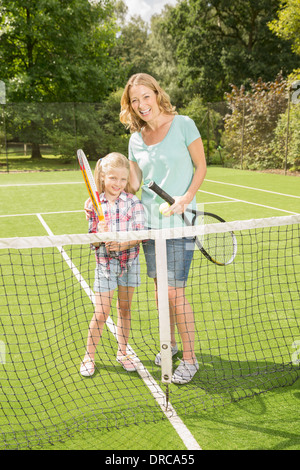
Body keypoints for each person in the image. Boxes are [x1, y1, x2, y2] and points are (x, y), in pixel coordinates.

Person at [120, 73, 207, 384]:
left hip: (180, 226)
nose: (142, 104)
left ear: (157, 94)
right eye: (135, 100)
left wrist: (186, 197)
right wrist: (111, 181)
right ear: (129, 106)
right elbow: (133, 184)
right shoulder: (135, 139)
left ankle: (190, 358)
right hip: (149, 227)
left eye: (146, 96)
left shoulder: (184, 124)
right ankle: (168, 346)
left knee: (174, 292)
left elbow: (201, 165)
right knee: (161, 293)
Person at [80, 152, 145, 377]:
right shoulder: (93, 203)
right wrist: (100, 232)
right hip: (105, 266)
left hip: (130, 264)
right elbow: (92, 238)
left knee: (124, 310)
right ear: (103, 177)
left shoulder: (134, 202)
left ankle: (123, 352)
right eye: (113, 178)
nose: (118, 184)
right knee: (101, 312)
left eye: (123, 179)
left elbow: (141, 234)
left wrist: (123, 243)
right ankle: (89, 356)